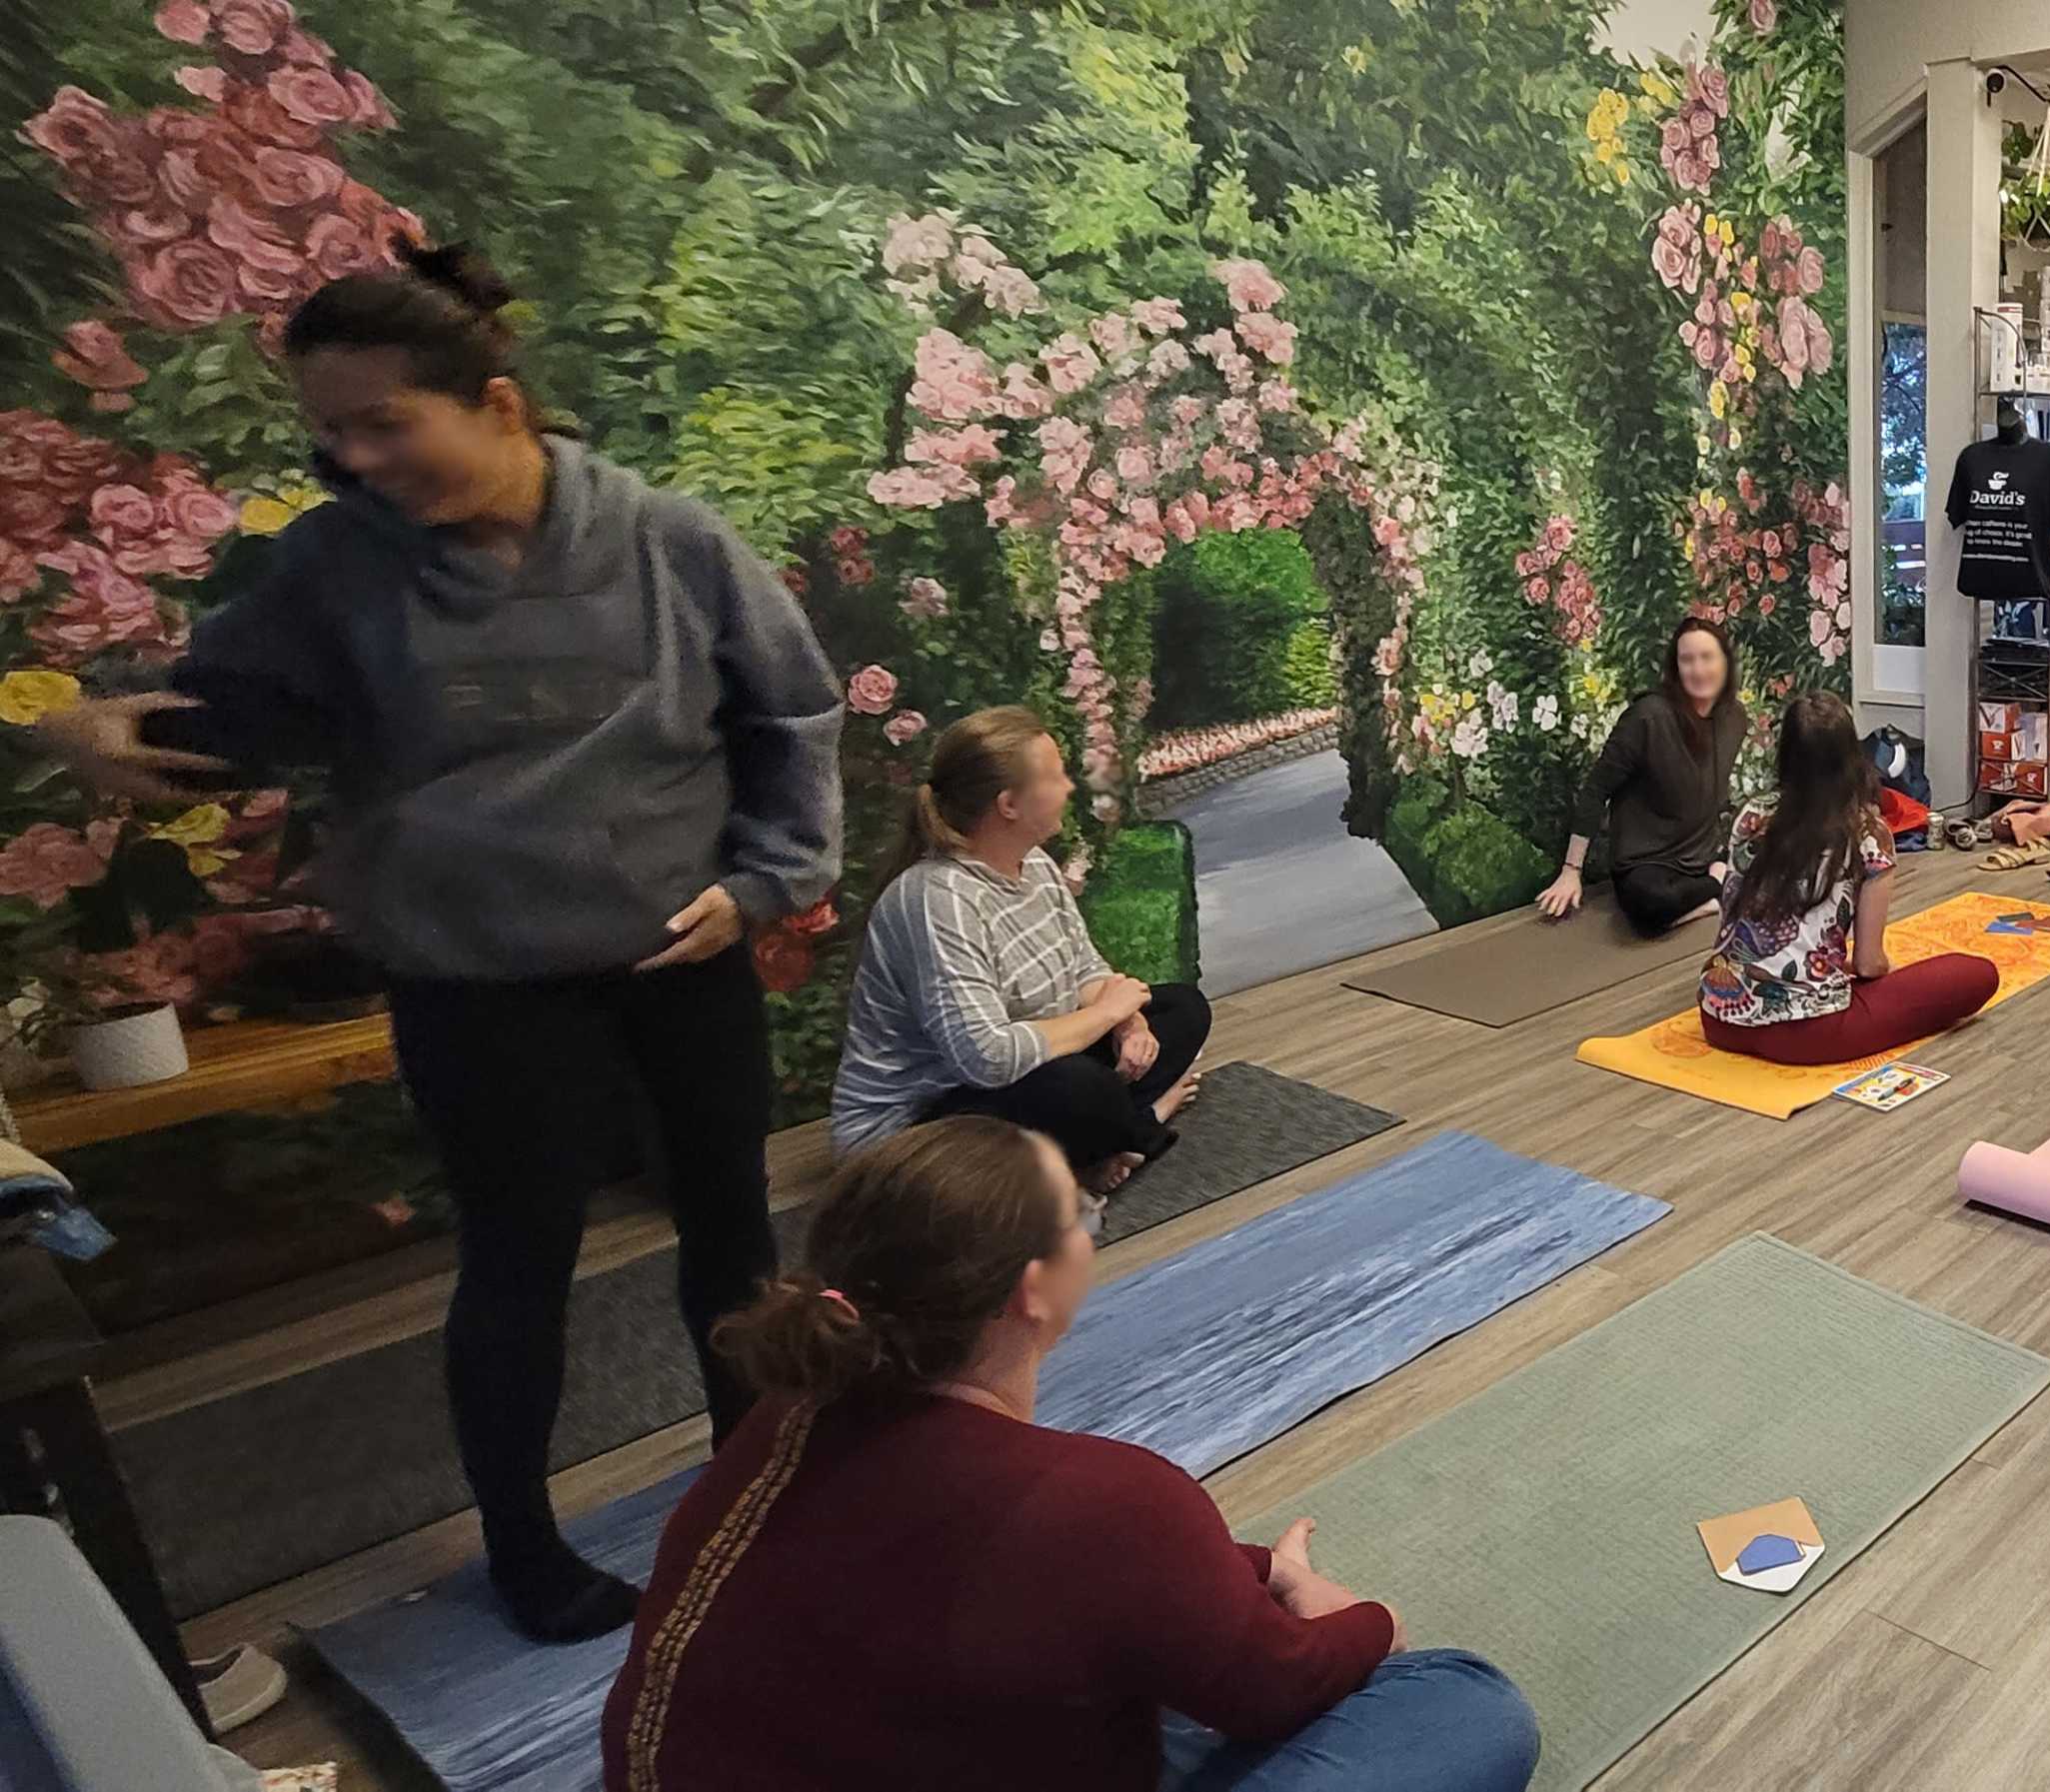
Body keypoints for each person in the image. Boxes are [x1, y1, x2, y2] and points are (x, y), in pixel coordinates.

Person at [31, 243, 843, 1642]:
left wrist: (769, 882)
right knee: (516, 1267)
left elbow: (792, 716)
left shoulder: (671, 541)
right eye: (329, 433)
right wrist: (83, 723)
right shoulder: (331, 565)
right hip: (476, 986)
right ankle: (526, 1554)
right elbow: (217, 710)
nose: (353, 458)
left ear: (502, 406)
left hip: (679, 956)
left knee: (732, 1243)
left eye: (381, 423)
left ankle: (759, 1503)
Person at [598, 1117, 1539, 1792]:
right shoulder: (1107, 1502)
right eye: (1081, 1212)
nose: (1096, 1222)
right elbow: (1276, 1684)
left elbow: (1085, 1588)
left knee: (1150, 1667)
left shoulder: (791, 1410)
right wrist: (1368, 1619)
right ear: (1035, 1290)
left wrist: (1247, 1576)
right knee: (1464, 1703)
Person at [832, 707, 1207, 1190]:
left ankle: (1100, 1141)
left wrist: (1127, 1022)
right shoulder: (936, 898)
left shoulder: (1036, 866)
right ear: (1008, 804)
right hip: (916, 1130)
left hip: (1017, 1078)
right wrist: (1107, 1014)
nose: (1069, 787)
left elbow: (1085, 971)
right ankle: (1139, 1125)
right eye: (1054, 776)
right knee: (1081, 1089)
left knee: (1182, 1008)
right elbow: (985, 1058)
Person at [1698, 692, 1998, 1065]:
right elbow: (1870, 965)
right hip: (1808, 1032)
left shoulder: (1751, 814)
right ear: (1850, 757)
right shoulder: (1867, 832)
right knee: (1977, 974)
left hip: (1720, 1019)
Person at [1537, 616, 1748, 933]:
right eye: (1687, 660)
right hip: (1648, 864)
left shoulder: (1735, 718)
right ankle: (1717, 892)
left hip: (1702, 855)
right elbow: (1596, 789)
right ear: (1676, 668)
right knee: (1647, 905)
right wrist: (1570, 870)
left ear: (1725, 662)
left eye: (1707, 657)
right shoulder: (1648, 717)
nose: (1698, 669)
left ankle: (1713, 884)